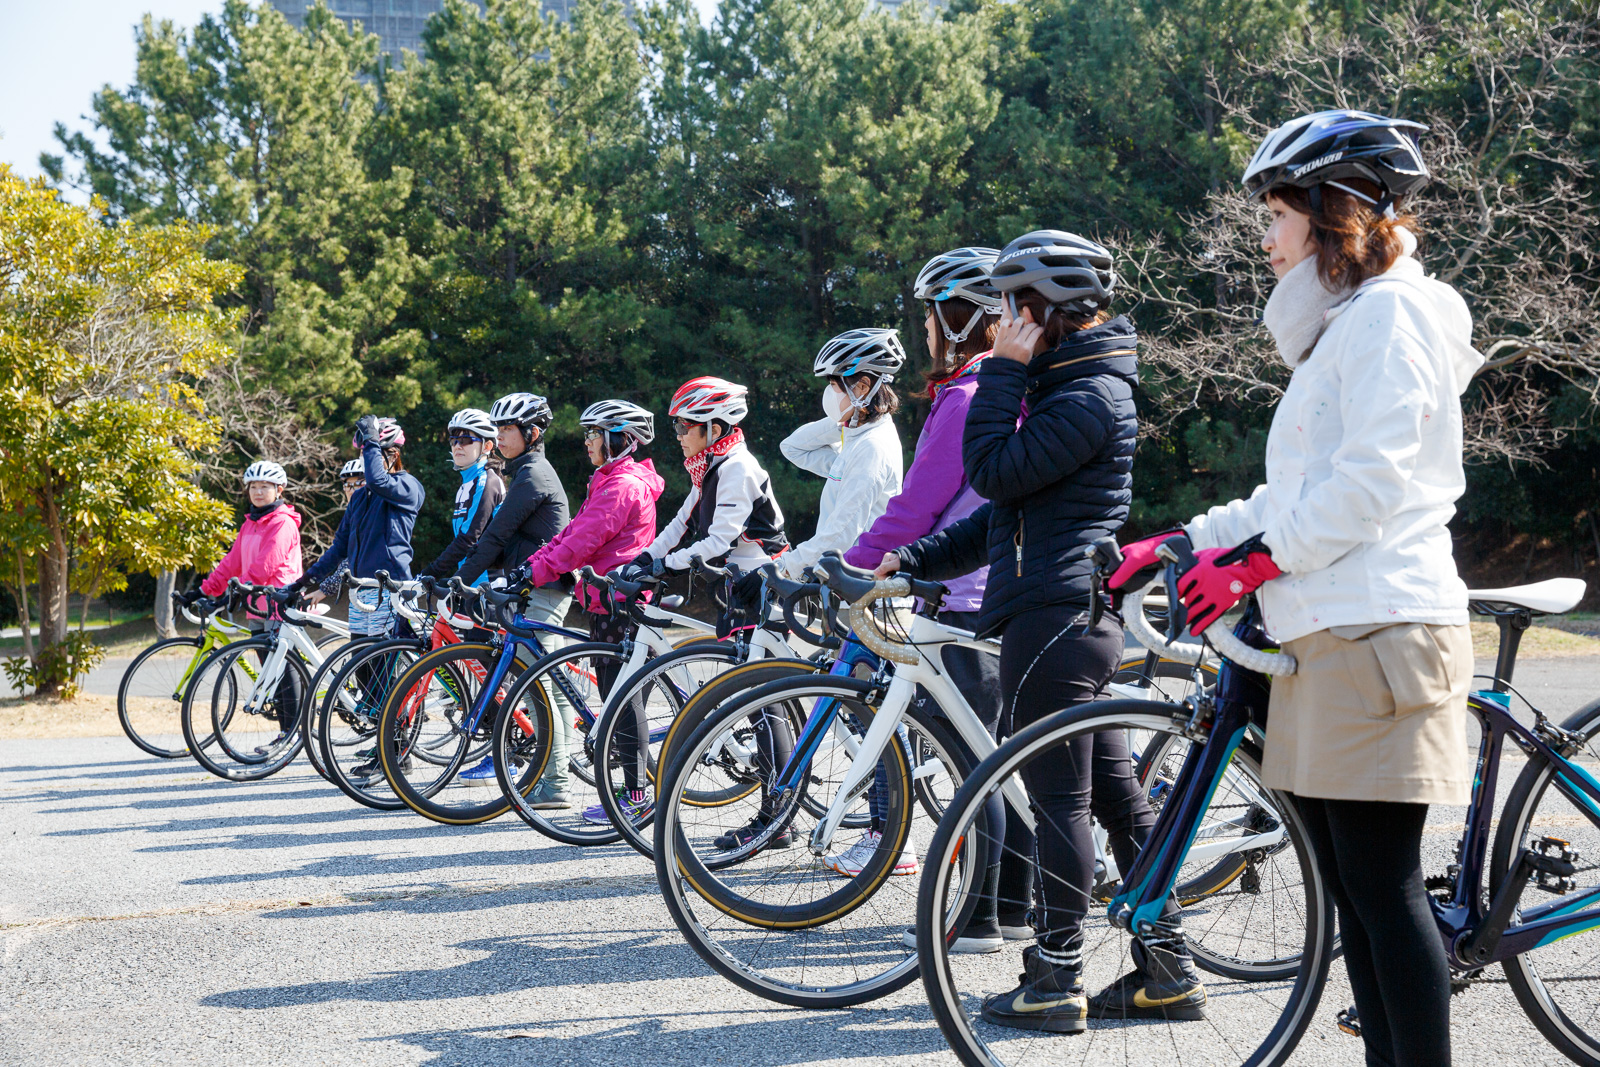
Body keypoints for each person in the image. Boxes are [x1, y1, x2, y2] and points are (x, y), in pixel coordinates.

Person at [1113, 110, 1474, 1065]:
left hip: (1381, 627)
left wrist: (1260, 559)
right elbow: (1297, 493)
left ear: (1333, 211)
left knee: (1385, 889)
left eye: (1276, 215)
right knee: (1349, 887)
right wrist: (1191, 538)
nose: (1265, 239)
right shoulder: (1345, 327)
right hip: (1327, 634)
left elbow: (1372, 481)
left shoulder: (1393, 315)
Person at [878, 230, 1169, 1032]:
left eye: (1010, 306)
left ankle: (1054, 977)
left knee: (1060, 806)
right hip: (1060, 616)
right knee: (1115, 797)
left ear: (1038, 309)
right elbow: (1005, 513)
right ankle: (1167, 968)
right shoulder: (1070, 387)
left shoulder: (1089, 395)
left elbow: (991, 472)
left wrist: (1001, 368)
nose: (1000, 320)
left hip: (1056, 618)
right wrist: (911, 560)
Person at [834, 248, 1009, 920]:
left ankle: (980, 913)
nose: (926, 332)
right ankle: (992, 907)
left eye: (931, 316)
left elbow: (917, 506)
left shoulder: (966, 398)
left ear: (959, 320)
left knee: (973, 765)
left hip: (966, 595)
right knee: (981, 757)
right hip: (971, 589)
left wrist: (853, 563)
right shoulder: (984, 391)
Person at [626, 376, 789, 849]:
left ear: (714, 427)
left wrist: (664, 564)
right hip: (741, 584)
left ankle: (777, 819)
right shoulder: (710, 466)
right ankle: (776, 811)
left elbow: (718, 540)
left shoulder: (736, 467)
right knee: (750, 693)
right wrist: (645, 559)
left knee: (763, 699)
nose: (677, 434)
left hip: (765, 581)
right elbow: (681, 523)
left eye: (683, 425)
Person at [512, 400, 662, 819]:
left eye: (595, 434)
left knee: (623, 703)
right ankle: (630, 791)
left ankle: (636, 799)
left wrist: (534, 573)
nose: (588, 442)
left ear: (620, 439)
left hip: (621, 603)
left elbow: (583, 544)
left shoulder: (622, 487)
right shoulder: (606, 480)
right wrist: (531, 566)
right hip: (603, 600)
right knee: (616, 697)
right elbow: (571, 535)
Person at [449, 392, 572, 790]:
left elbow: (493, 535)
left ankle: (553, 784)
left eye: (507, 429)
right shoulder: (525, 473)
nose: (499, 436)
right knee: (544, 685)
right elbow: (500, 542)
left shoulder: (533, 475)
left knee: (538, 686)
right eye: (498, 428)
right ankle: (552, 779)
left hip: (544, 590)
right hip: (531, 588)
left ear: (531, 432)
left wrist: (463, 580)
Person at [299, 417, 426, 777]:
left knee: (387, 675)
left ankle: (397, 752)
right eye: (371, 450)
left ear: (394, 454)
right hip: (361, 594)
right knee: (368, 677)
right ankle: (384, 745)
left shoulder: (407, 486)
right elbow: (338, 547)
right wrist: (303, 580)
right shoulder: (362, 500)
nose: (371, 459)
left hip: (392, 591)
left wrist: (370, 442)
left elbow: (379, 479)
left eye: (378, 452)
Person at [776, 328, 904, 581]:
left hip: (865, 588)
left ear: (863, 387)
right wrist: (842, 422)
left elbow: (842, 530)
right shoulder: (858, 439)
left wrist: (787, 566)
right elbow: (792, 447)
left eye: (835, 386)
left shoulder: (872, 447)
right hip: (846, 582)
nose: (830, 393)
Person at [195, 460, 305, 751]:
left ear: (279, 489)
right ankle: (288, 729)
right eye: (254, 487)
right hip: (256, 605)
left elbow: (266, 563)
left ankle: (291, 733)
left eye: (265, 487)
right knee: (268, 666)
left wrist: (238, 589)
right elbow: (232, 562)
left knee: (282, 669)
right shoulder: (250, 524)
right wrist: (205, 590)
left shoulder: (282, 522)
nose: (258, 492)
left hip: (280, 601)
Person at [418, 408, 505, 586]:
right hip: (468, 582)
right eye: (454, 440)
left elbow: (468, 539)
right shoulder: (467, 483)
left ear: (487, 446)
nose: (457, 446)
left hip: (489, 583)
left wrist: (428, 574)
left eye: (465, 440)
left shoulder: (486, 482)